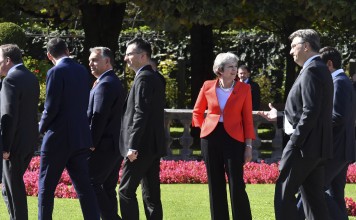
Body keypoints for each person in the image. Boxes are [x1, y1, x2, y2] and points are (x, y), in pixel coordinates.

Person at [258, 29, 334, 220]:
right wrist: (282, 117)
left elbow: (310, 112)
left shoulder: (312, 69)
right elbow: (306, 111)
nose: (291, 51)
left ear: (306, 46)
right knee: (314, 200)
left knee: (283, 192)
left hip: (303, 147)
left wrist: (295, 142)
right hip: (316, 148)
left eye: (294, 47)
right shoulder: (320, 68)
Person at [38, 38, 100, 220]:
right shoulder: (82, 70)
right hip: (80, 136)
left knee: (46, 187)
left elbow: (51, 107)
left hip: (58, 138)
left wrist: (40, 128)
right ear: (68, 50)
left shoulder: (55, 71)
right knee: (84, 188)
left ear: (50, 55)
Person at [192, 52, 255, 220]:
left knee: (237, 184)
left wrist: (248, 146)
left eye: (235, 66)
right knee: (215, 184)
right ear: (220, 70)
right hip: (210, 138)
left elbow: (248, 119)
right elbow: (197, 112)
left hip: (234, 139)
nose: (234, 70)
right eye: (230, 67)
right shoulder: (207, 85)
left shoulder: (244, 88)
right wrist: (202, 129)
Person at [295, 46, 356, 220]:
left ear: (329, 64)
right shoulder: (343, 82)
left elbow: (338, 117)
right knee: (334, 194)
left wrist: (313, 124)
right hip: (342, 149)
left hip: (336, 149)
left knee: (313, 187)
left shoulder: (339, 83)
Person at [118, 38, 166, 220]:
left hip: (141, 147)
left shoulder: (144, 78)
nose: (126, 58)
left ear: (143, 56)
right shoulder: (154, 77)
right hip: (152, 146)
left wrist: (132, 145)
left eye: (130, 54)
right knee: (151, 194)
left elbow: (140, 113)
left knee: (125, 191)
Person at [0, 44, 39, 220]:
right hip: (28, 142)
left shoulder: (10, 79)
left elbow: (8, 116)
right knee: (7, 189)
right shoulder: (31, 77)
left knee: (14, 190)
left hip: (14, 145)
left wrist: (5, 147)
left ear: (8, 60)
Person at [87, 47, 125, 220]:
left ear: (107, 61)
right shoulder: (112, 81)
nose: (90, 63)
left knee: (91, 182)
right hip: (114, 144)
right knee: (108, 188)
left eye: (95, 60)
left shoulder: (105, 83)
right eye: (90, 60)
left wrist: (91, 142)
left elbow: (98, 116)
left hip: (103, 144)